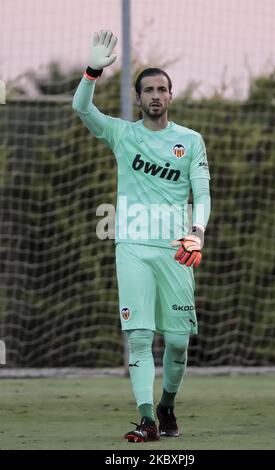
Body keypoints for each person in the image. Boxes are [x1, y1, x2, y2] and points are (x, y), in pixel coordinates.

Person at [73, 30, 211, 443]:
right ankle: (147, 418)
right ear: (138, 98)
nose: (155, 95)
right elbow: (81, 107)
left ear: (171, 96)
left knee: (178, 343)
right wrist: (93, 70)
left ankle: (167, 405)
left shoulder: (190, 141)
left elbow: (201, 194)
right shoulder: (122, 134)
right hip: (131, 247)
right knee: (138, 337)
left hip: (176, 251)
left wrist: (197, 233)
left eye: (162, 89)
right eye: (148, 89)